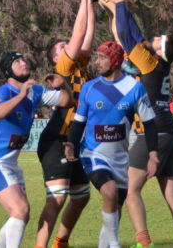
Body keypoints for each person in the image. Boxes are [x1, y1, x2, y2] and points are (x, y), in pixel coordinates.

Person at [101, 0, 173, 248]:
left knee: (131, 192)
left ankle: (144, 242)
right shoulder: (160, 64)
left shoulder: (150, 62)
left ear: (161, 50)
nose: (155, 38)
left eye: (159, 39)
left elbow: (129, 36)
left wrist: (120, 3)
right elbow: (121, 34)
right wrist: (113, 8)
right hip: (172, 135)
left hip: (151, 134)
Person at [64, 40, 160, 248]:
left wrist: (153, 155)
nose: (97, 62)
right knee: (109, 192)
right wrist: (71, 144)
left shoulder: (135, 88)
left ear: (115, 61)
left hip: (120, 159)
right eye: (97, 57)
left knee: (115, 208)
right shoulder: (90, 88)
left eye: (102, 57)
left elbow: (150, 124)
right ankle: (115, 244)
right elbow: (78, 123)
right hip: (93, 154)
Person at [0, 51, 71, 248]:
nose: (23, 63)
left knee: (21, 215)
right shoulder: (4, 92)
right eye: (17, 62)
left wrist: (63, 84)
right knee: (21, 210)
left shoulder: (35, 91)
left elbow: (66, 100)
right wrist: (21, 95)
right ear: (8, 70)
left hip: (10, 163)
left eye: (23, 60)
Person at [34, 0, 97, 248]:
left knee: (81, 196)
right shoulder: (63, 68)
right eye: (60, 47)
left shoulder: (79, 64)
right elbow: (79, 30)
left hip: (75, 141)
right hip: (56, 141)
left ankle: (61, 240)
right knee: (57, 198)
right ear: (54, 59)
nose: (66, 46)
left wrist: (91, 1)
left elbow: (88, 32)